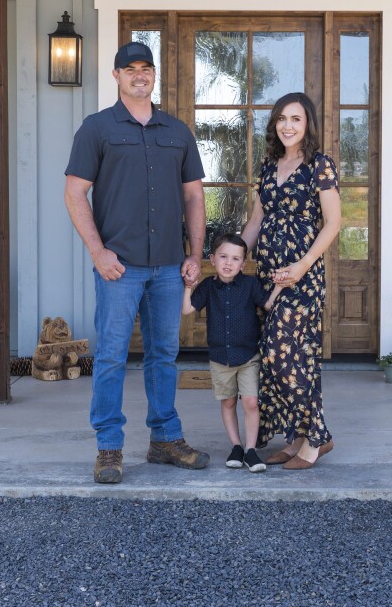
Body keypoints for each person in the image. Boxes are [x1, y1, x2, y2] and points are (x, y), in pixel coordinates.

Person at [64, 41, 210, 485]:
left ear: (154, 75)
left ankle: (164, 439)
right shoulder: (97, 129)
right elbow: (75, 193)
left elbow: (193, 196)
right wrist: (98, 251)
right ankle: (109, 447)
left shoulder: (177, 131)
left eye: (146, 68)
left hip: (168, 266)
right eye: (131, 69)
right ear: (117, 75)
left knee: (163, 355)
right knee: (111, 356)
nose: (140, 75)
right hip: (119, 267)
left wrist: (195, 255)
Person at [240, 91, 341, 471]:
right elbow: (256, 222)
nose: (287, 125)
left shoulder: (319, 166)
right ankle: (298, 438)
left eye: (296, 119)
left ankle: (317, 438)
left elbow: (333, 223)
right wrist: (232, 258)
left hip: (302, 277)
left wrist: (303, 265)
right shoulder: (269, 166)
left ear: (307, 124)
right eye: (282, 118)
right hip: (269, 276)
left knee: (284, 353)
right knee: (285, 358)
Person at [182, 232, 280, 474]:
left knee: (251, 402)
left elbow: (268, 305)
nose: (228, 263)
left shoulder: (250, 285)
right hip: (220, 358)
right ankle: (236, 446)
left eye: (235, 259)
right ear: (212, 259)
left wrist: (279, 286)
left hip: (248, 356)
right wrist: (188, 287)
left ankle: (251, 450)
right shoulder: (208, 286)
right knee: (227, 402)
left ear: (243, 264)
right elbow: (187, 309)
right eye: (223, 257)